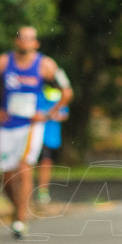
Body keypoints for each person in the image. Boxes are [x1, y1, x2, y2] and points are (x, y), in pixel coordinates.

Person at [0, 26, 69, 238]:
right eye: (21, 38)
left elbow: (67, 91)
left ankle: (21, 219)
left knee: (24, 167)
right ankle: (18, 208)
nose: (25, 42)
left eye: (29, 39)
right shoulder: (3, 62)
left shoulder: (46, 65)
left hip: (31, 126)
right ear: (16, 41)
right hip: (7, 125)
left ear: (36, 43)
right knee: (7, 176)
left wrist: (46, 114)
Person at [35, 68, 73, 205]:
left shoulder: (59, 94)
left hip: (50, 135)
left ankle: (42, 192)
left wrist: (50, 115)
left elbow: (64, 114)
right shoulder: (35, 90)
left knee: (46, 163)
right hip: (32, 133)